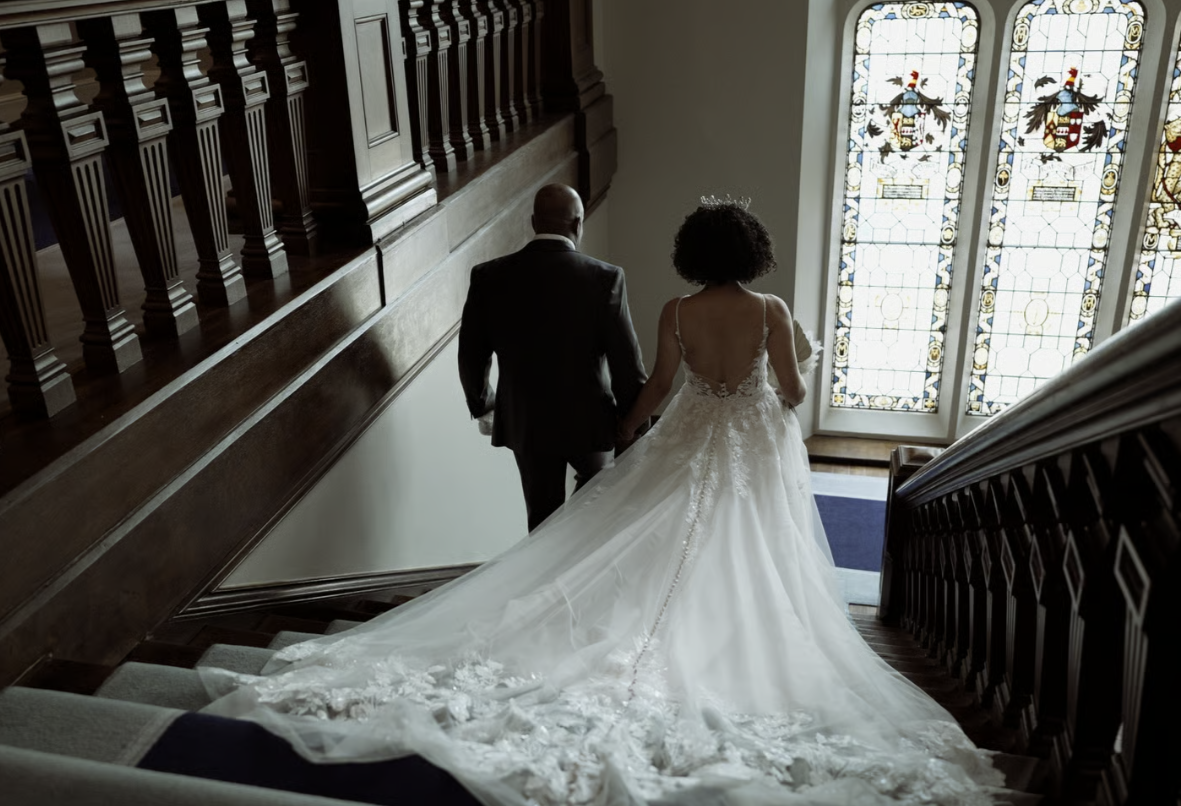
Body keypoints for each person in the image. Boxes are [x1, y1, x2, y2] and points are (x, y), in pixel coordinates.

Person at [203, 199, 1003, 805]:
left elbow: (657, 386)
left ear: (694, 253)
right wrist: (791, 370)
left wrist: (629, 434)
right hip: (753, 441)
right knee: (752, 545)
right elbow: (791, 394)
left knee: (658, 536)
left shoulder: (678, 310)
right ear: (752, 254)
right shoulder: (771, 312)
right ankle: (722, 637)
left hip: (690, 433)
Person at [458, 183, 648, 531]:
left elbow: (471, 352)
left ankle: (546, 579)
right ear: (578, 224)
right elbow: (626, 360)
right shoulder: (604, 278)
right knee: (598, 509)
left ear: (533, 222)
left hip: (526, 421)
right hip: (590, 421)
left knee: (541, 518)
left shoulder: (489, 276)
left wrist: (483, 402)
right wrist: (633, 425)